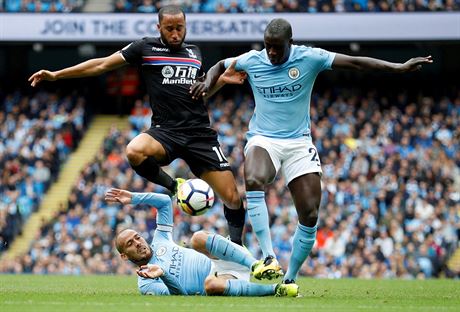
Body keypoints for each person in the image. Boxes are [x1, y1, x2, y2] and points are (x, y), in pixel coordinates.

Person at [190, 18, 433, 284]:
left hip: (298, 144)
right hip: (264, 138)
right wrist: (207, 81)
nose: (271, 53)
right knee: (255, 177)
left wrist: (397, 67)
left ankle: (290, 279)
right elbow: (219, 65)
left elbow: (355, 62)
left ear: (289, 43)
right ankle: (269, 257)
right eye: (267, 46)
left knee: (310, 214)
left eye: (276, 48)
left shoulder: (310, 57)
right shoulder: (253, 59)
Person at [28, 5, 248, 247]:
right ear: (159, 28)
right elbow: (101, 65)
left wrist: (220, 81)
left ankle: (237, 251)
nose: (175, 34)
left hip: (199, 135)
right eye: (169, 29)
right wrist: (57, 75)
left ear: (186, 26)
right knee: (134, 150)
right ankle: (174, 186)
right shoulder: (145, 47)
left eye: (180, 28)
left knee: (232, 197)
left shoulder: (194, 53)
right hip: (165, 132)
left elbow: (199, 94)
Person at [105, 188, 299, 297]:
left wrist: (134, 198)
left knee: (197, 238)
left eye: (137, 237)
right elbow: (179, 295)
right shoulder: (146, 284)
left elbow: (164, 201)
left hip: (228, 258)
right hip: (223, 281)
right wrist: (163, 274)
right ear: (123, 255)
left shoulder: (160, 239)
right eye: (130, 243)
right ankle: (277, 289)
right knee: (210, 285)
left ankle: (257, 266)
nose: (138, 242)